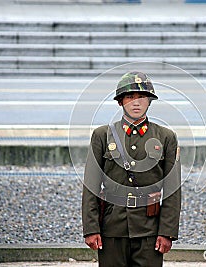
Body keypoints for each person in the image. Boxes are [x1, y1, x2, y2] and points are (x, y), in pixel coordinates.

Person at [81, 71, 181, 267]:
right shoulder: (103, 136)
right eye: (130, 97)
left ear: (150, 101)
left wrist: (166, 232)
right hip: (111, 226)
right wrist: (91, 228)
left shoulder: (165, 137)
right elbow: (91, 185)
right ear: (120, 102)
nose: (136, 102)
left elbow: (172, 189)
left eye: (142, 97)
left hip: (149, 229)